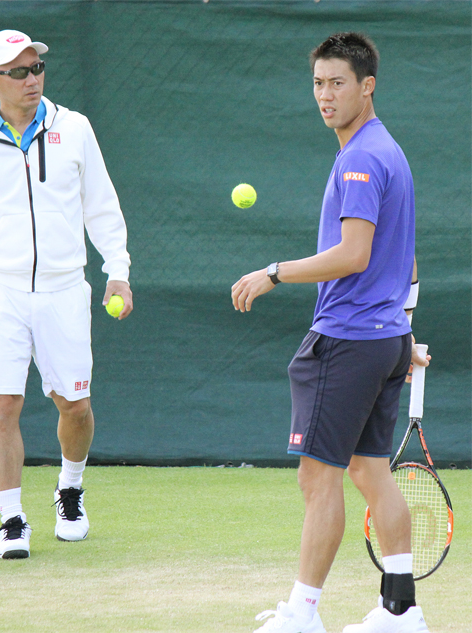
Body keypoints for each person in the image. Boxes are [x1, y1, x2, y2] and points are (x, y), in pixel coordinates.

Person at [231, 33, 430, 633]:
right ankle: (401, 611)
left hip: (348, 340)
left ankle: (302, 613)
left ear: (367, 87)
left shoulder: (362, 158)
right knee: (370, 471)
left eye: (338, 83)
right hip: (381, 338)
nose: (326, 95)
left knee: (317, 475)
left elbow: (353, 254)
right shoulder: (385, 149)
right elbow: (409, 260)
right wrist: (402, 330)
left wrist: (273, 273)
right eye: (318, 83)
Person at [0, 30, 132, 559]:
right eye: (18, 72)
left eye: (37, 68)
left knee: (77, 406)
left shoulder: (76, 128)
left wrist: (118, 269)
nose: (32, 79)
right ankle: (12, 520)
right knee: (3, 405)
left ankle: (69, 489)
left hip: (66, 289)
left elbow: (102, 205)